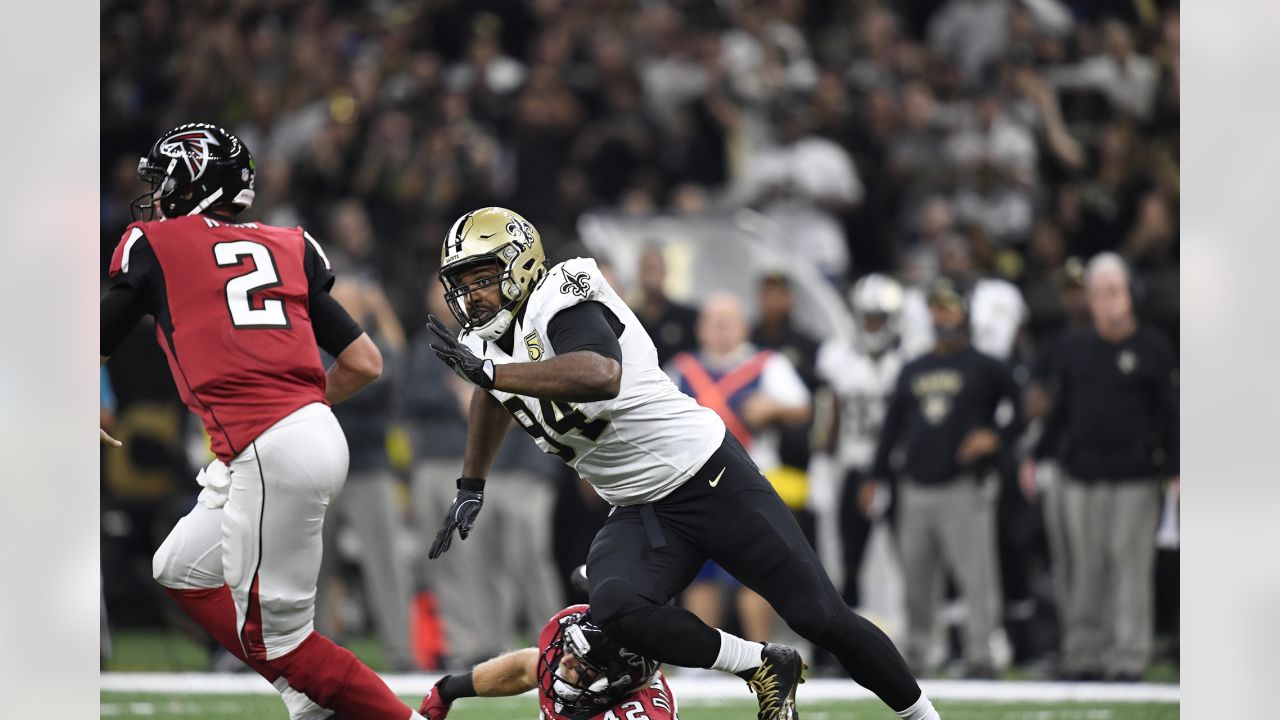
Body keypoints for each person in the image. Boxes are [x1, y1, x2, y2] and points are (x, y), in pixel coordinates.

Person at [423, 206, 941, 720]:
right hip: (640, 507)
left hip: (708, 477)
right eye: (462, 285)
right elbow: (491, 398)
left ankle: (923, 717)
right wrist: (472, 482)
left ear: (521, 265)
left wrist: (492, 373)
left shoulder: (562, 289)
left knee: (821, 617)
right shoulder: (483, 342)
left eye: (483, 279)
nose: (471, 296)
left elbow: (600, 373)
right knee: (617, 608)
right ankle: (762, 664)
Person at [99, 123, 428, 720]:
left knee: (280, 641)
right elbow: (365, 362)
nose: (156, 194)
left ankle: (369, 710)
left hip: (269, 445)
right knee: (178, 567)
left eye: (166, 180)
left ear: (193, 182)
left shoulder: (155, 243)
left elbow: (95, 339)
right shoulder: (288, 245)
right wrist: (299, 411)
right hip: (304, 433)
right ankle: (307, 693)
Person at [1020, 252, 1178, 681]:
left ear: (1130, 296)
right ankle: (1084, 654)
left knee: (1128, 570)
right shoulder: (1075, 348)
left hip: (1135, 476)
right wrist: (1038, 456)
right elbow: (1060, 411)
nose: (1106, 303)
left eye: (1114, 292)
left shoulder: (1152, 348)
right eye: (1098, 294)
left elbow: (1170, 413)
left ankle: (1128, 656)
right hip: (1081, 473)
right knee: (1082, 571)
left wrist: (1177, 468)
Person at [872, 279, 1023, 678]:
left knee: (976, 577)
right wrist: (878, 474)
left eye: (950, 308)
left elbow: (1025, 405)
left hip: (963, 484)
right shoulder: (914, 367)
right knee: (917, 580)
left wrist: (997, 437)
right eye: (937, 309)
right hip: (915, 485)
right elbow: (892, 427)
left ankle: (982, 655)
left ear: (965, 314)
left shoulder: (986, 365)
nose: (943, 316)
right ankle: (919, 656)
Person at [667, 292, 813, 644]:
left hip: (750, 481)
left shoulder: (766, 364)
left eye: (728, 323)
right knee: (699, 574)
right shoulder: (681, 368)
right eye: (714, 323)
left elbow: (803, 408)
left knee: (753, 573)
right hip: (695, 484)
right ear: (701, 329)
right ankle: (699, 658)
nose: (720, 331)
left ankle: (761, 651)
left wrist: (772, 409)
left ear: (743, 328)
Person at [314, 275, 417, 672]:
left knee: (386, 562)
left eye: (350, 302)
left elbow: (394, 370)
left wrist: (382, 310)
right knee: (313, 564)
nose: (341, 309)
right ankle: (314, 649)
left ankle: (401, 652)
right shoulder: (316, 341)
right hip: (322, 467)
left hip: (369, 469)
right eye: (335, 301)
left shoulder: (374, 348)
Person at [815, 274, 908, 611]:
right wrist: (822, 461)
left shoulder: (909, 359)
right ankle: (846, 639)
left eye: (878, 318)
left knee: (910, 557)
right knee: (848, 560)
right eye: (866, 317)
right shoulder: (837, 356)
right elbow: (827, 415)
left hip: (898, 468)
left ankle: (925, 636)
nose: (871, 325)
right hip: (853, 465)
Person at [419, 604, 674, 720]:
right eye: (569, 649)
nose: (565, 661)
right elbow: (524, 669)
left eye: (582, 664)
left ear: (616, 681)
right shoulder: (574, 664)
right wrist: (447, 691)